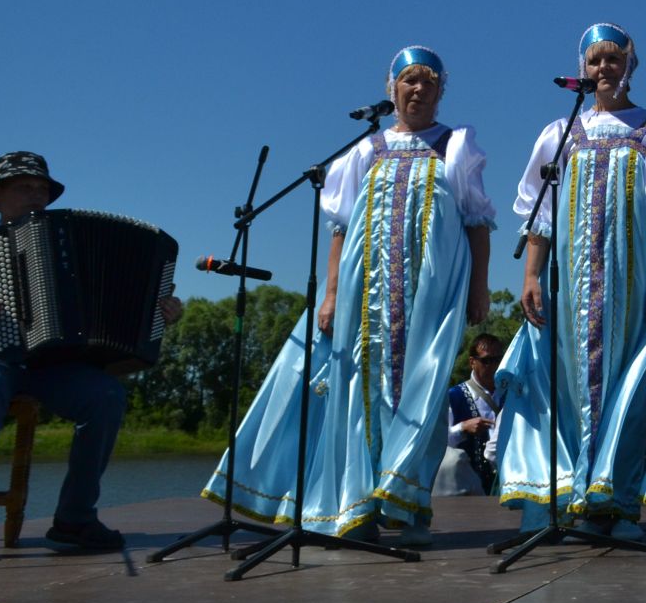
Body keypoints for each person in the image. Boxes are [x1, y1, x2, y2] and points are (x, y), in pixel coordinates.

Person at [204, 46, 494, 545]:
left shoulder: (455, 146)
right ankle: (356, 503)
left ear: (441, 91)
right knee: (358, 389)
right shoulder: (366, 149)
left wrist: (479, 289)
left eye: (428, 82)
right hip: (366, 290)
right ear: (391, 89)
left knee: (418, 393)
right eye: (409, 81)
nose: (418, 90)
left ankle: (405, 506)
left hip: (430, 294)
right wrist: (332, 292)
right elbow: (340, 228)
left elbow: (476, 223)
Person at [0, 151, 184, 562]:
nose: (36, 195)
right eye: (25, 187)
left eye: (42, 188)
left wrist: (158, 312)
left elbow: (110, 308)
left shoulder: (66, 249)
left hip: (44, 364)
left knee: (105, 395)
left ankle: (74, 520)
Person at [497, 23, 646, 537]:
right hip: (571, 286)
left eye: (614, 59)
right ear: (582, 68)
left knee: (627, 386)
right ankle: (575, 493)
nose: (604, 68)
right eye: (595, 60)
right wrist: (531, 275)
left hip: (631, 279)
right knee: (569, 381)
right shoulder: (562, 133)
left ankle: (618, 502)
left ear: (631, 66)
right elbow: (540, 216)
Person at [438, 331, 505, 496]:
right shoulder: (454, 396)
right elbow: (438, 441)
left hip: (508, 482)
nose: (494, 366)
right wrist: (462, 428)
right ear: (472, 362)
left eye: (498, 359)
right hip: (468, 488)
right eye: (487, 361)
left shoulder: (511, 394)